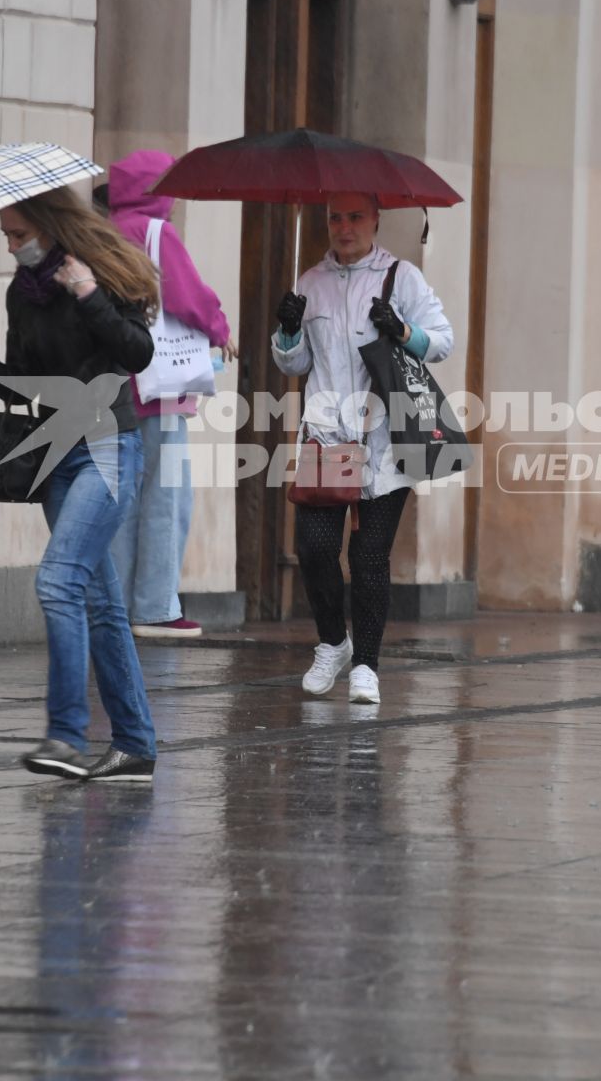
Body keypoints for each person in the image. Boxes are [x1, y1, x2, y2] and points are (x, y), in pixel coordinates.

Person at [0, 186, 163, 781]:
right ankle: (136, 744)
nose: (13, 247)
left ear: (47, 224)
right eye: (7, 238)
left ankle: (66, 736)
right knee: (97, 600)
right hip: (56, 455)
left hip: (108, 448)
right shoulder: (23, 292)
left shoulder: (101, 273)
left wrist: (88, 294)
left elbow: (138, 354)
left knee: (58, 581)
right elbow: (28, 385)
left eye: (19, 235)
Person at [271, 192, 454, 705]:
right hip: (326, 435)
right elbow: (292, 365)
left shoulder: (402, 278)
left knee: (369, 556)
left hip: (384, 437)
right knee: (313, 548)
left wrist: (402, 330)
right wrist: (287, 331)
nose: (344, 227)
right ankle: (333, 642)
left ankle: (367, 667)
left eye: (355, 217)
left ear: (374, 220)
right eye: (335, 217)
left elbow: (442, 341)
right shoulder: (309, 281)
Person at [98, 151, 234, 640]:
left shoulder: (105, 233)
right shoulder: (157, 234)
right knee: (167, 495)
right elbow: (187, 296)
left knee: (124, 499)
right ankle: (155, 606)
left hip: (115, 384)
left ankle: (118, 605)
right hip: (160, 385)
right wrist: (219, 327)